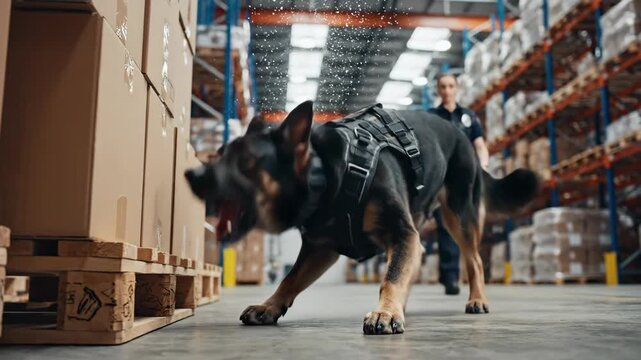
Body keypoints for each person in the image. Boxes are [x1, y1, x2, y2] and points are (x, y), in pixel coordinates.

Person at [426, 73, 489, 295]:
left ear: (457, 88)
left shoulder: (468, 117)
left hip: (466, 178)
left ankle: (473, 276)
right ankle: (451, 277)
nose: (447, 90)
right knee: (446, 226)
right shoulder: (432, 116)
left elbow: (479, 145)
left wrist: (481, 166)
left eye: (451, 86)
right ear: (438, 89)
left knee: (470, 226)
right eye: (442, 86)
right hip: (442, 180)